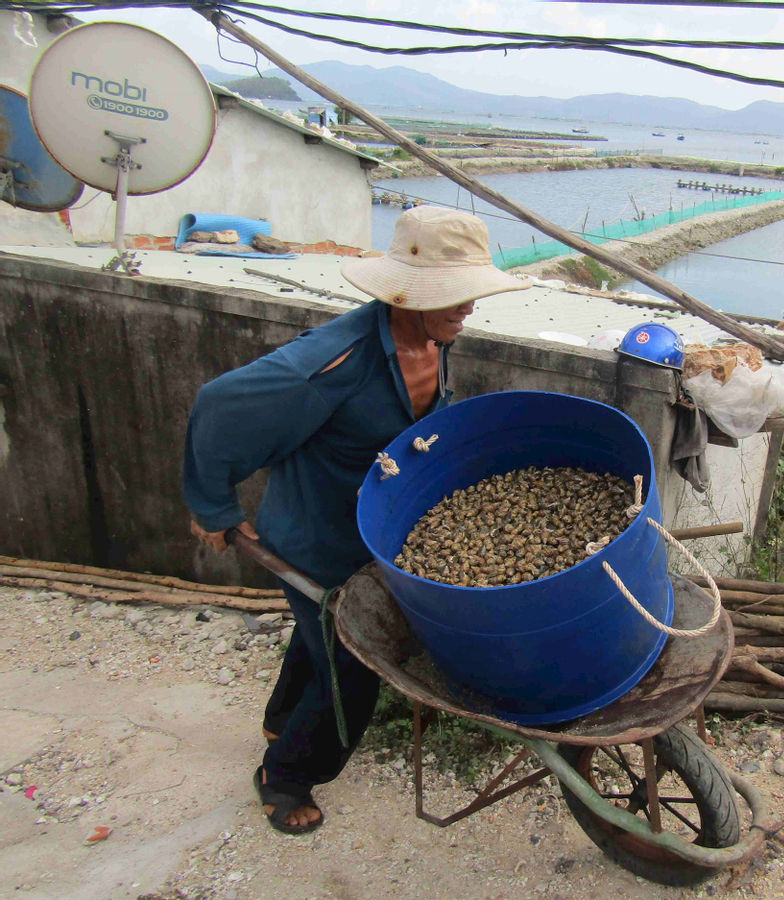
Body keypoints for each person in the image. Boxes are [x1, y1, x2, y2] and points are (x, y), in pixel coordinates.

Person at [183, 205, 528, 835]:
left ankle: (281, 718)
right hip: (315, 538)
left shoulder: (432, 338)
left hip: (368, 529)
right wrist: (213, 508)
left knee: (317, 633)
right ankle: (285, 774)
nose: (469, 309)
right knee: (356, 666)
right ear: (407, 293)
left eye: (471, 293)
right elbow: (219, 405)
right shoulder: (331, 361)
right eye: (454, 296)